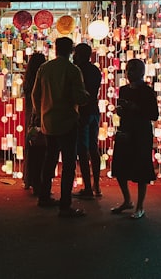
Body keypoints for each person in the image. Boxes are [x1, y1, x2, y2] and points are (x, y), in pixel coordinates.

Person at [32, 37, 89, 218]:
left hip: (48, 121)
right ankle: (65, 205)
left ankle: (44, 196)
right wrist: (86, 97)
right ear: (71, 51)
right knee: (69, 163)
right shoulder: (73, 70)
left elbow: (35, 94)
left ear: (56, 50)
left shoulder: (44, 68)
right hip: (67, 121)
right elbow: (79, 96)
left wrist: (40, 114)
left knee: (50, 160)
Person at [111, 59, 159, 219]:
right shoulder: (124, 90)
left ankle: (140, 206)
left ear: (141, 72)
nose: (130, 72)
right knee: (120, 166)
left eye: (133, 69)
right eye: (128, 69)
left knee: (141, 169)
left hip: (141, 132)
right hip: (125, 129)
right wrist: (120, 110)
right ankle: (127, 200)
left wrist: (136, 108)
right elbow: (123, 110)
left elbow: (154, 115)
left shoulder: (147, 91)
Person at [72, 43, 103, 199]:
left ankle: (88, 188)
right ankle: (96, 185)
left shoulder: (77, 71)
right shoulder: (96, 70)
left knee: (83, 150)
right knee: (93, 147)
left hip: (83, 111)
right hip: (94, 110)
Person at [22, 52, 47, 195]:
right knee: (42, 148)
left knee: (31, 145)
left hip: (30, 115)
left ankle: (28, 179)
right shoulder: (42, 79)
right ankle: (39, 180)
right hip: (41, 114)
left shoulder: (28, 80)